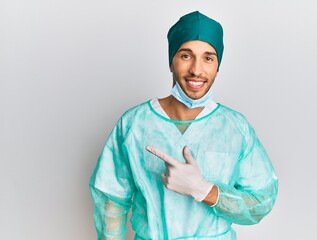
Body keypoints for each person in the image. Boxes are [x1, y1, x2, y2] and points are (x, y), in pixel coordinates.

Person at [89, 11, 278, 240]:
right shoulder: (134, 124)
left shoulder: (234, 128)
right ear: (171, 61)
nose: (196, 70)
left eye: (208, 58)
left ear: (217, 66)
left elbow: (262, 200)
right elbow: (111, 202)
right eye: (186, 56)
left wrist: (205, 191)